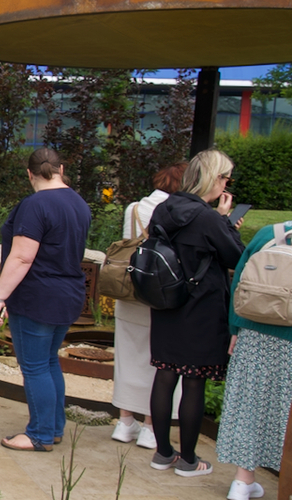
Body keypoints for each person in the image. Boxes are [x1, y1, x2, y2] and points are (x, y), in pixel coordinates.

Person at [147, 149, 244, 477]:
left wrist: (219, 220)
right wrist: (227, 223)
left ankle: (163, 453)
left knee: (164, 376)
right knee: (194, 382)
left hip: (167, 302)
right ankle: (188, 460)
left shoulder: (164, 209)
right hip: (201, 308)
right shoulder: (207, 218)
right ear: (213, 178)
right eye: (225, 177)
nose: (227, 183)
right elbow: (235, 257)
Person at [0, 148, 91, 452]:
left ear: (29, 174)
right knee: (49, 362)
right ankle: (54, 428)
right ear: (61, 168)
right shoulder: (78, 202)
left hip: (38, 295)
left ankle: (40, 434)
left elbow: (22, 257)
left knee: (34, 366)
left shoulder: (35, 205)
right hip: (68, 293)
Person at [110, 162, 187, 449]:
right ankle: (151, 426)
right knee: (160, 361)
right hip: (162, 294)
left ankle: (124, 421)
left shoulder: (134, 209)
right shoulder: (179, 212)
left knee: (128, 356)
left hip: (131, 290)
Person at [217, 220, 292, 500]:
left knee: (249, 403)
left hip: (253, 330)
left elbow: (239, 282)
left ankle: (242, 481)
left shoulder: (267, 234)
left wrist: (235, 328)